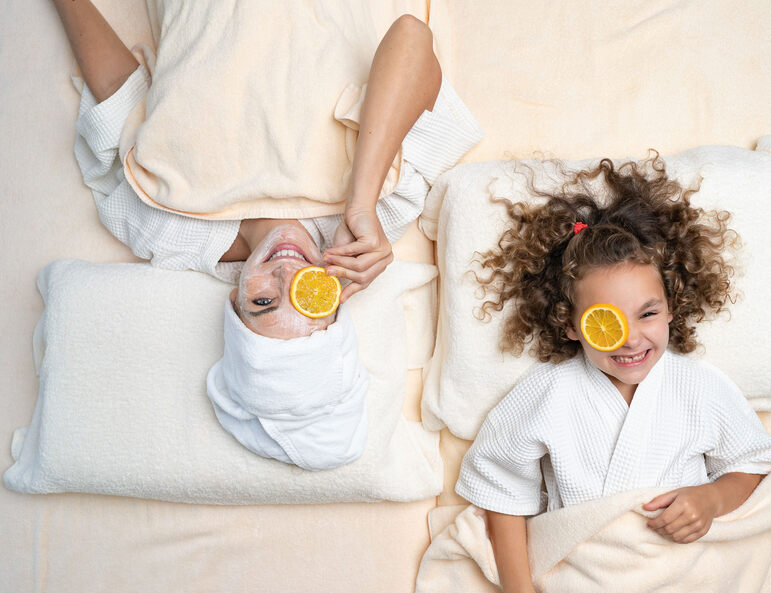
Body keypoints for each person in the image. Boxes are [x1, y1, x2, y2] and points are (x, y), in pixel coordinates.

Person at [51, 0, 483, 470]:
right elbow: (411, 38)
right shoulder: (380, 215)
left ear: (234, 304)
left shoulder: (165, 230)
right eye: (306, 299)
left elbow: (119, 91)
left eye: (263, 302)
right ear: (336, 299)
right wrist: (361, 200)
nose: (285, 274)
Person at [454, 156, 771, 593]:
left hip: (685, 574)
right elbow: (501, 488)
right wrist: (520, 592)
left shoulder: (700, 387)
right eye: (605, 322)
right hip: (586, 576)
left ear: (671, 308)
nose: (630, 339)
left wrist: (711, 499)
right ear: (570, 324)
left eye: (647, 314)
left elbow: (752, 463)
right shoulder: (548, 392)